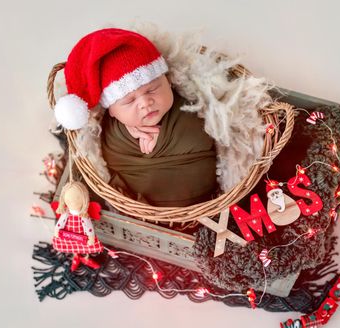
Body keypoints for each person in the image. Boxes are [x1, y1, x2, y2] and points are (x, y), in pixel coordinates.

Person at [54, 28, 218, 207]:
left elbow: (210, 136)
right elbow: (109, 156)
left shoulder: (190, 107)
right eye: (130, 100)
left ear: (169, 82)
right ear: (112, 111)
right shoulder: (111, 131)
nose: (145, 103)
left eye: (152, 89)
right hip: (141, 207)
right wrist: (128, 130)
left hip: (204, 202)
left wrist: (165, 139)